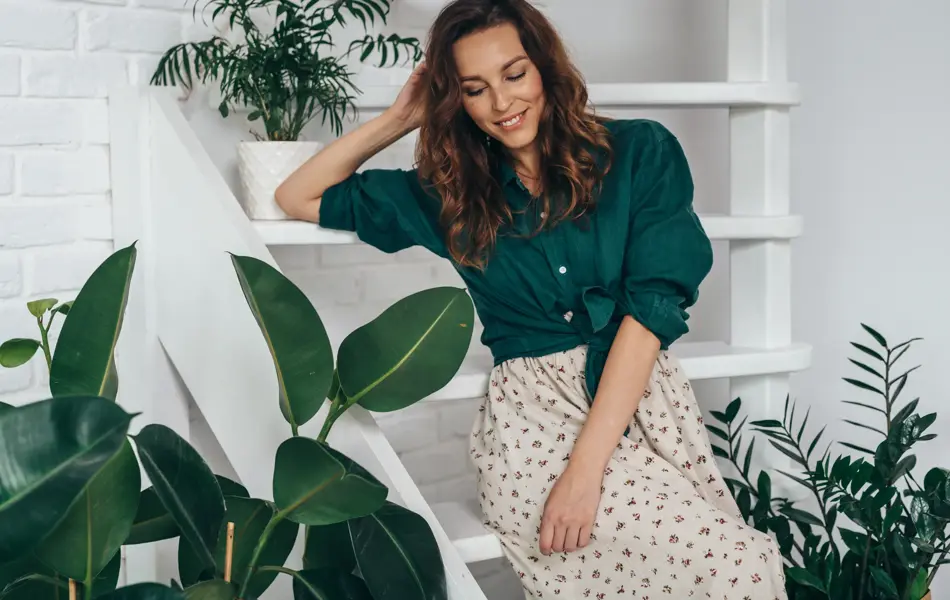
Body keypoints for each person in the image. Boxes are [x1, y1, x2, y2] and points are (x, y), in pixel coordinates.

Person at [276, 0, 788, 597]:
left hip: (638, 398)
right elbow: (298, 195)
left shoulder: (640, 153)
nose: (501, 103)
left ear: (545, 67)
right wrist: (400, 119)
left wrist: (588, 468)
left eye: (514, 74)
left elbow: (650, 315)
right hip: (532, 430)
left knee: (727, 571)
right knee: (740, 570)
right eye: (474, 88)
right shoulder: (451, 194)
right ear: (456, 99)